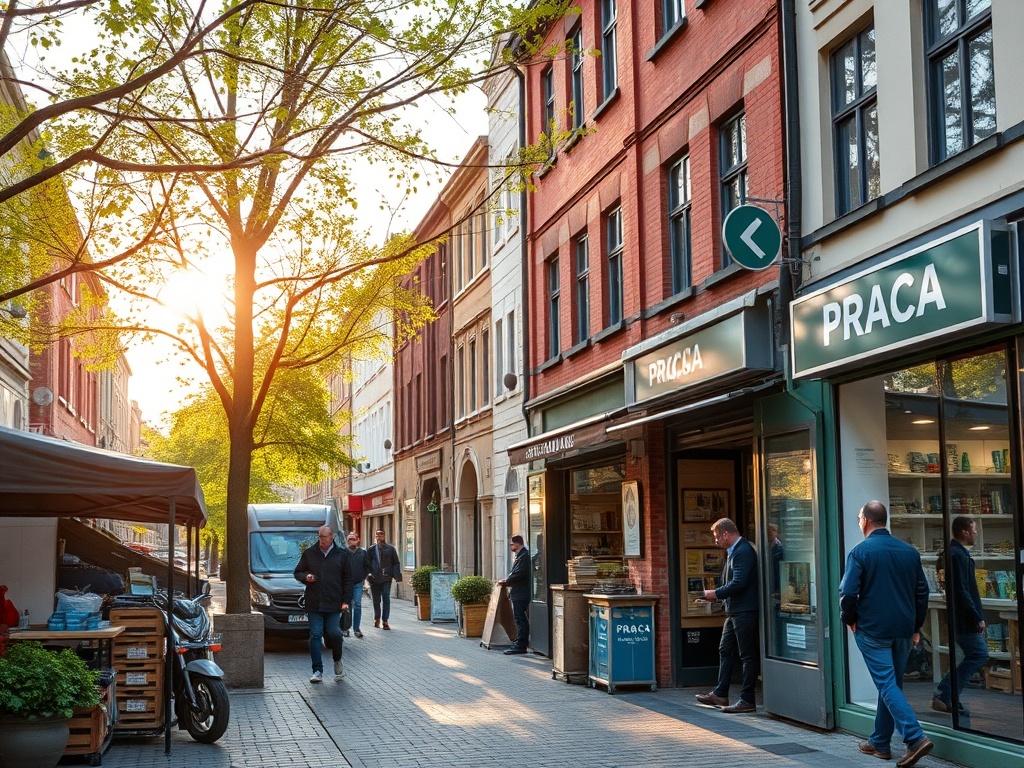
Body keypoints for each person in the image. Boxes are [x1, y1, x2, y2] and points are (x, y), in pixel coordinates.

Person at [840, 500, 932, 768]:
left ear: (865, 521)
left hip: (872, 629)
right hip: (903, 629)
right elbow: (922, 592)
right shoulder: (909, 552)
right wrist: (916, 627)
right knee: (891, 684)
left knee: (887, 684)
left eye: (859, 518)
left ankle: (914, 738)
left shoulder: (860, 552)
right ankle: (880, 742)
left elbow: (848, 593)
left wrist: (849, 620)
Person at [696, 517, 759, 713]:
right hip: (734, 611)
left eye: (717, 537)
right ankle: (720, 694)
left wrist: (715, 594)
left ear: (726, 534)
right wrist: (716, 597)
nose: (715, 541)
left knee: (747, 655)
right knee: (725, 650)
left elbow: (739, 582)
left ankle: (747, 700)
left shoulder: (743, 551)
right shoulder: (734, 551)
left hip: (744, 611)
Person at [932, 516, 988, 717]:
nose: (976, 533)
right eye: (974, 530)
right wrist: (976, 616)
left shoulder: (954, 554)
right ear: (965, 532)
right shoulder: (958, 555)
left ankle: (948, 695)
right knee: (979, 654)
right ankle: (944, 692)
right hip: (964, 618)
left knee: (971, 655)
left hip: (960, 616)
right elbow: (963, 590)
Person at [293, 526, 352, 683]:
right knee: (316, 634)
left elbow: (348, 579)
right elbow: (297, 572)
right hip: (315, 602)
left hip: (334, 602)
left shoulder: (342, 554)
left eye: (324, 537)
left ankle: (337, 661)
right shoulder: (310, 553)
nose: (322, 540)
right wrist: (306, 577)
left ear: (332, 537)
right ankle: (317, 671)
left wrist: (346, 601)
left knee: (335, 633)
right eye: (320, 537)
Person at [498, 534, 530, 655]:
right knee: (520, 618)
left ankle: (521, 644)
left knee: (520, 618)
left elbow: (519, 573)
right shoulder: (521, 556)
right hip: (519, 592)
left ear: (517, 544)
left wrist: (506, 582)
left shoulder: (524, 556)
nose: (511, 546)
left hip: (521, 592)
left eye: (511, 544)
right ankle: (520, 642)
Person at [367, 529, 401, 629]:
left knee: (386, 598)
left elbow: (396, 563)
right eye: (377, 534)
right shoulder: (371, 549)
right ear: (375, 536)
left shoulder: (390, 549)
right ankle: (377, 618)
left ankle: (385, 620)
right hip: (374, 578)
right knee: (376, 600)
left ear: (384, 536)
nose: (379, 536)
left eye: (381, 534)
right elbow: (367, 563)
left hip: (386, 578)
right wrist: (369, 575)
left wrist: (395, 575)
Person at [345, 531, 371, 638]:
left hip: (357, 583)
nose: (351, 541)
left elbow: (367, 567)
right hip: (346, 584)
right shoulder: (344, 552)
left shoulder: (362, 553)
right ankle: (346, 628)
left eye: (353, 539)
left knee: (357, 604)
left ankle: (356, 628)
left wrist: (362, 577)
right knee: (347, 605)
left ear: (357, 540)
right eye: (349, 539)